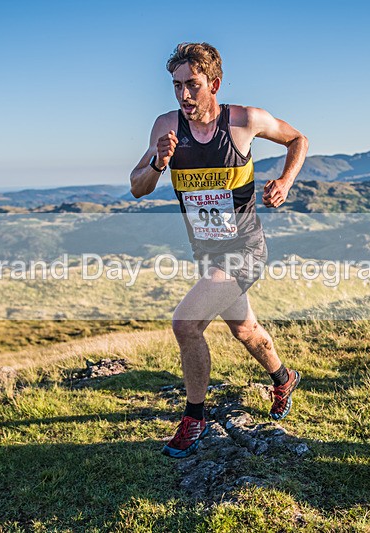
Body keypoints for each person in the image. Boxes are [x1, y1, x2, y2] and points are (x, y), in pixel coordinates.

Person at [130, 42, 308, 458]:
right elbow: (137, 187)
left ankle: (194, 418)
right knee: (245, 330)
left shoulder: (244, 120)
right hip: (208, 255)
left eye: (192, 85)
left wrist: (284, 182)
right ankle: (284, 379)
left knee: (185, 324)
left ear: (214, 83)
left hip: (246, 249)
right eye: (176, 86)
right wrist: (159, 163)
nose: (184, 96)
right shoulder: (166, 127)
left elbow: (297, 138)